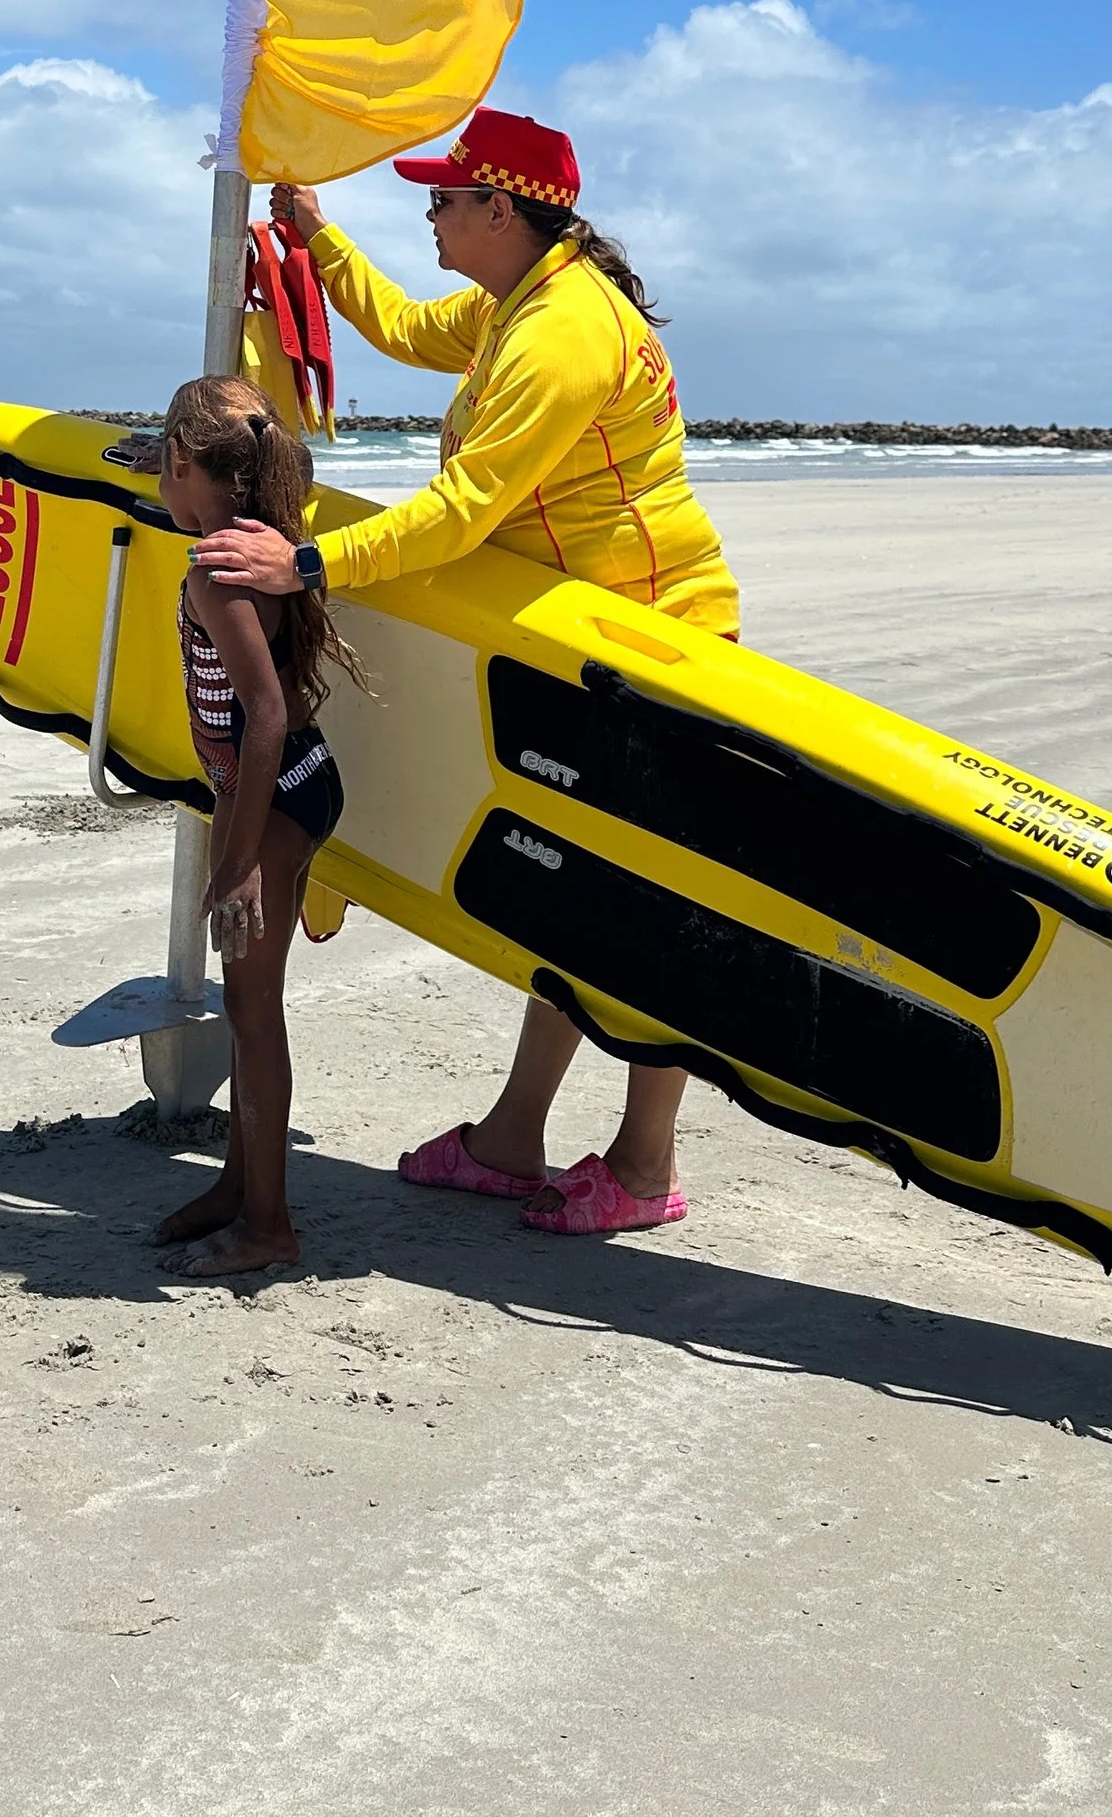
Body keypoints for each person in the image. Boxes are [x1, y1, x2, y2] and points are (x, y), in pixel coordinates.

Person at [194, 109, 739, 1238]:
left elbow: (460, 512)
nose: (430, 215)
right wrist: (315, 236)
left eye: (443, 200)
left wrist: (304, 562)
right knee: (567, 897)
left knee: (630, 904)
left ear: (502, 209)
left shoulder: (560, 334)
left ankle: (643, 1170)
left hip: (649, 642)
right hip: (573, 635)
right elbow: (397, 325)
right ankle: (512, 1139)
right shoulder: (519, 302)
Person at [152, 373, 356, 1278]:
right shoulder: (256, 545)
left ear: (183, 464)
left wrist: (235, 864)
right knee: (246, 1004)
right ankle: (239, 1184)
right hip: (288, 788)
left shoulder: (218, 570)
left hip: (271, 799)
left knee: (252, 1007)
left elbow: (264, 715)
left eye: (164, 461)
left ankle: (270, 1223)